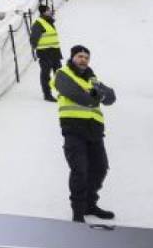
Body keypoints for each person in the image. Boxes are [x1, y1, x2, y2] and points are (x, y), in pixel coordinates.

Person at [52, 45, 117, 223]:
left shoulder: (92, 79)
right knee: (79, 171)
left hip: (95, 130)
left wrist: (95, 93)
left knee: (100, 168)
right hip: (74, 130)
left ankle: (90, 204)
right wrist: (97, 95)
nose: (83, 60)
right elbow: (77, 95)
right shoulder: (62, 74)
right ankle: (78, 212)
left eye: (86, 57)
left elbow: (111, 97)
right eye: (80, 56)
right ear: (72, 57)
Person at [30, 3, 62, 102]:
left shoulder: (49, 21)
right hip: (45, 53)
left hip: (55, 52)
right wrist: (36, 49)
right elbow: (33, 39)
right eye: (48, 10)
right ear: (43, 12)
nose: (50, 11)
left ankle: (63, 93)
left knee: (60, 74)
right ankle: (47, 95)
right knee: (46, 75)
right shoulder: (39, 23)